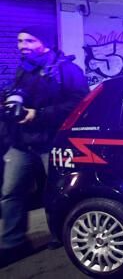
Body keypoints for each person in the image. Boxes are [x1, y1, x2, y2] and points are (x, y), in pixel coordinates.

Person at [0, 26, 87, 258]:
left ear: (44, 42)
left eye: (29, 40)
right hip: (21, 143)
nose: (22, 46)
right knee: (11, 192)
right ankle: (13, 244)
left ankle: (60, 233)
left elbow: (79, 104)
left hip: (52, 143)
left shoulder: (67, 70)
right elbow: (18, 94)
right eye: (19, 41)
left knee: (56, 191)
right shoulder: (24, 69)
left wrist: (38, 114)